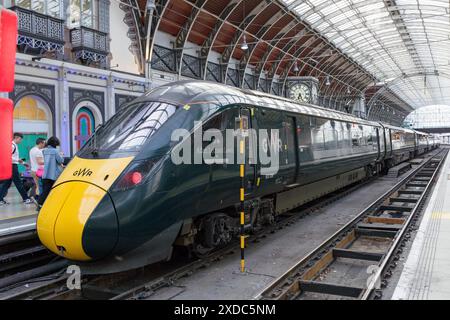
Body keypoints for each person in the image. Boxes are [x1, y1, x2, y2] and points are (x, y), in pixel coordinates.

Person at [0, 133, 32, 206]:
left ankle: (0, 199)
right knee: (18, 183)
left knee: (6, 184)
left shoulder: (14, 145)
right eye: (20, 139)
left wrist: (22, 162)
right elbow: (7, 156)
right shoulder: (12, 145)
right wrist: (18, 160)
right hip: (12, 166)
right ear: (16, 138)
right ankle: (26, 198)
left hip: (11, 165)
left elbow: (13, 157)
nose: (20, 141)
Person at [37, 137, 64, 209]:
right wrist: (61, 154)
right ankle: (40, 203)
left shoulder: (44, 151)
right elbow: (61, 161)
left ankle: (41, 203)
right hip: (54, 175)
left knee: (45, 190)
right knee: (54, 190)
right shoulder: (55, 151)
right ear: (55, 144)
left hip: (45, 174)